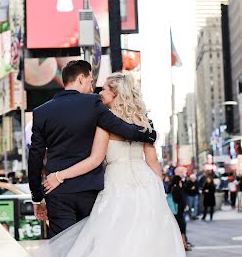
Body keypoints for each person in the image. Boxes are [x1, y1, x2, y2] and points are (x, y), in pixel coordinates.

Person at [7, 72, 189, 257]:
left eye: (104, 89)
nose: (99, 92)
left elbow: (93, 161)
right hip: (146, 191)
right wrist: (163, 199)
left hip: (118, 192)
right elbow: (153, 164)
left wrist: (59, 175)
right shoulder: (143, 123)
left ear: (115, 94)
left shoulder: (104, 121)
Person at [28, 60, 157, 237]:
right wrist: (150, 134)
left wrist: (37, 197)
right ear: (81, 78)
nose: (92, 88)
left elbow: (35, 157)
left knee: (62, 248)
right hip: (89, 190)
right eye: (90, 82)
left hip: (57, 191)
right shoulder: (93, 104)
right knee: (88, 249)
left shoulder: (41, 112)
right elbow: (124, 129)